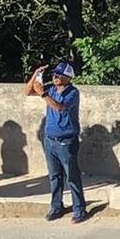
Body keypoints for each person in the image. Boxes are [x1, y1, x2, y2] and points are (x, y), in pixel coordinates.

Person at [24, 62, 86, 223]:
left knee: (72, 176)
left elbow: (59, 107)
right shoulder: (50, 88)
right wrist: (35, 75)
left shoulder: (72, 92)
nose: (55, 77)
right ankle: (56, 206)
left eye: (58, 75)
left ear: (68, 77)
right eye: (53, 74)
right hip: (49, 140)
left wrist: (43, 94)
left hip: (66, 141)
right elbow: (27, 91)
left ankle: (79, 208)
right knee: (54, 176)